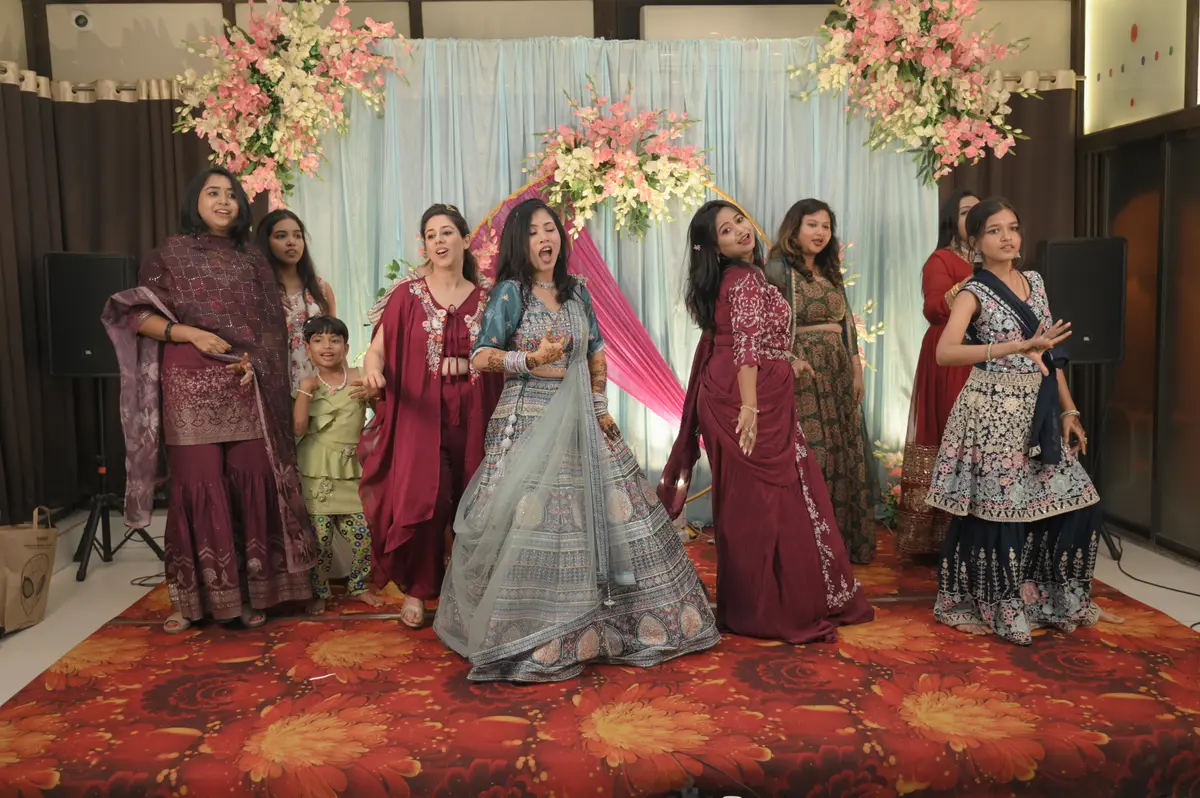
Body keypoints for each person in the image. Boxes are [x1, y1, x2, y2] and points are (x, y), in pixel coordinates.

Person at [434, 198, 719, 682]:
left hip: (583, 422)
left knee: (606, 514)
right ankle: (533, 629)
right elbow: (482, 356)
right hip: (529, 421)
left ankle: (610, 625)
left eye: (550, 229)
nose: (545, 238)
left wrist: (602, 409)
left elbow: (596, 354)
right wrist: (529, 360)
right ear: (519, 242)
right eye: (533, 232)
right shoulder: (510, 293)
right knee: (535, 520)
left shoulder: (578, 291)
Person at [102, 167, 315, 634]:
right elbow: (135, 315)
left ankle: (254, 593)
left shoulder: (253, 258)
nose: (224, 201)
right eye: (212, 193)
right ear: (194, 202)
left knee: (251, 479)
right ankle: (195, 598)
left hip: (245, 382)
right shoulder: (169, 253)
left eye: (231, 195)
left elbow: (270, 331)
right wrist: (189, 333)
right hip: (189, 380)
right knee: (199, 484)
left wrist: (256, 365)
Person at [660, 200, 873, 644]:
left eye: (739, 220)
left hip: (742, 391)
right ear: (713, 249)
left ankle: (752, 605)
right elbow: (744, 348)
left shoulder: (745, 275)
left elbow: (749, 340)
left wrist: (788, 360)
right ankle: (771, 609)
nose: (740, 230)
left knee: (752, 504)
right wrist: (751, 409)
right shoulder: (743, 280)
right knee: (768, 504)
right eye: (725, 230)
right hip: (744, 398)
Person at [927, 197, 1122, 643]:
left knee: (1078, 503)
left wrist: (1069, 410)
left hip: (1038, 408)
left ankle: (1054, 598)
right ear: (975, 242)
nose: (1007, 237)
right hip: (992, 410)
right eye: (994, 230)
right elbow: (946, 352)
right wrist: (1014, 347)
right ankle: (997, 603)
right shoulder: (973, 292)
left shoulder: (1034, 281)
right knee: (1000, 513)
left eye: (1013, 227)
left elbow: (1049, 353)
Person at [358, 204, 503, 628]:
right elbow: (378, 350)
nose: (439, 240)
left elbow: (500, 356)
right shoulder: (407, 295)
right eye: (431, 234)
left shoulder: (489, 298)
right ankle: (419, 589)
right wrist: (372, 370)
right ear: (425, 245)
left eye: (447, 232)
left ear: (464, 240)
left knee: (474, 499)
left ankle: (467, 589)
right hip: (420, 416)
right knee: (426, 500)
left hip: (477, 413)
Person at [764, 199, 874, 564]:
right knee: (815, 453)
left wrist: (856, 370)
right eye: (812, 225)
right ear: (794, 228)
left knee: (843, 451)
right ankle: (809, 547)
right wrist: (789, 361)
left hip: (837, 371)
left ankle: (840, 543)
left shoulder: (830, 270)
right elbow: (767, 326)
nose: (821, 233)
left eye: (826, 226)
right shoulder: (778, 269)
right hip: (803, 372)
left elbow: (847, 324)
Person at [896, 190, 979, 558]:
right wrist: (976, 280)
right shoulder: (941, 259)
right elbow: (933, 308)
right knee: (953, 432)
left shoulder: (998, 260)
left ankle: (984, 532)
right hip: (951, 356)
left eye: (979, 212)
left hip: (989, 356)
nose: (974, 218)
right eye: (966, 212)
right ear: (951, 220)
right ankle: (945, 537)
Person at [293, 315, 382, 614]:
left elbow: (383, 416)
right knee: (320, 539)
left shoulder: (360, 377)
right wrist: (305, 390)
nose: (327, 346)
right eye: (318, 341)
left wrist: (375, 394)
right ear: (308, 349)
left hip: (351, 469)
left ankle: (359, 586)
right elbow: (298, 428)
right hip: (317, 472)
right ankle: (320, 591)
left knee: (363, 535)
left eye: (334, 340)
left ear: (346, 347)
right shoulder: (308, 384)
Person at [256, 209, 336, 392]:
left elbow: (334, 342)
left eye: (297, 236)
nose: (291, 242)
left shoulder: (321, 289)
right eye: (281, 236)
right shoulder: (256, 290)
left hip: (317, 388)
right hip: (271, 385)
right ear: (266, 242)